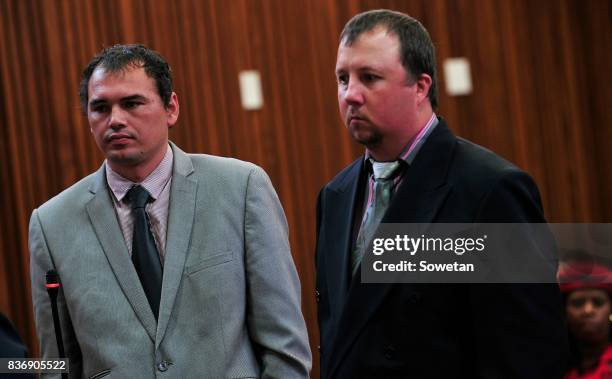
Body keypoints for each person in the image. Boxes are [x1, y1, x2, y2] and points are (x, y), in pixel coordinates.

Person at [29, 44, 311, 378]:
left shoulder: (241, 188)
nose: (115, 119)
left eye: (132, 103)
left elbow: (284, 346)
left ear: (171, 108)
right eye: (100, 108)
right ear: (89, 120)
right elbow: (57, 364)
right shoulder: (51, 224)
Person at [315, 9, 567, 378]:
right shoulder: (334, 196)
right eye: (342, 79)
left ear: (420, 87)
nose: (350, 94)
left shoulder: (491, 189)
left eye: (369, 78)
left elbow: (531, 352)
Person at [559, 258, 612, 378]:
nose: (588, 310)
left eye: (598, 302)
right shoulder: (549, 365)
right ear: (564, 312)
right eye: (578, 303)